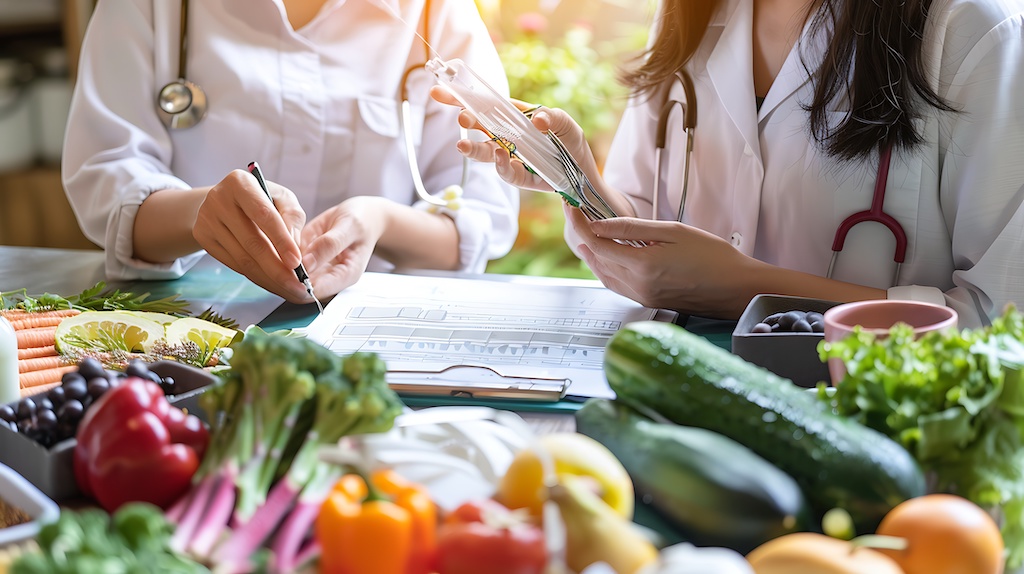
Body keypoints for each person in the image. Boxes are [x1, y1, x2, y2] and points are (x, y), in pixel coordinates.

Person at [434, 0, 1024, 328]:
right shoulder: (688, 15)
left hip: (873, 440)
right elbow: (645, 242)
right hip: (689, 420)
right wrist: (574, 175)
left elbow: (1000, 321)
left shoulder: (971, 32)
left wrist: (745, 289)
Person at [63, 0, 518, 305]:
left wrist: (381, 221)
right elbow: (105, 178)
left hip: (372, 340)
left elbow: (482, 216)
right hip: (187, 335)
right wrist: (199, 213)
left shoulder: (436, 14)